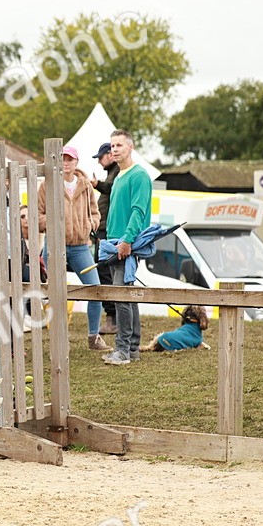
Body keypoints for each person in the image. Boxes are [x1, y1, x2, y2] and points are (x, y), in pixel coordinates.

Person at [39, 145, 107, 351]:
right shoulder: (46, 185)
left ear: (76, 162)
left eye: (70, 159)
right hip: (54, 245)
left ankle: (94, 337)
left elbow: (95, 213)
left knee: (95, 289)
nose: (66, 162)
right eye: (63, 159)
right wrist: (52, 225)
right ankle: (59, 338)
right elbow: (38, 215)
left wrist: (91, 223)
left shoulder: (86, 186)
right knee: (55, 293)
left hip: (80, 247)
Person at [102, 130, 153, 366]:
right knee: (127, 296)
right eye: (112, 145)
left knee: (121, 296)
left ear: (130, 147)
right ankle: (132, 348)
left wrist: (127, 240)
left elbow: (138, 211)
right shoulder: (120, 176)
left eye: (119, 145)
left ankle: (123, 350)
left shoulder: (139, 175)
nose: (114, 149)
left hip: (125, 244)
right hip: (114, 243)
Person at [90, 142, 119, 334]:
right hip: (104, 230)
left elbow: (109, 187)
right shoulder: (114, 172)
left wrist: (97, 184)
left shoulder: (117, 173)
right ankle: (113, 317)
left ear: (110, 155)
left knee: (105, 272)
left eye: (101, 157)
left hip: (106, 232)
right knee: (105, 272)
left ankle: (112, 318)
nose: (99, 162)